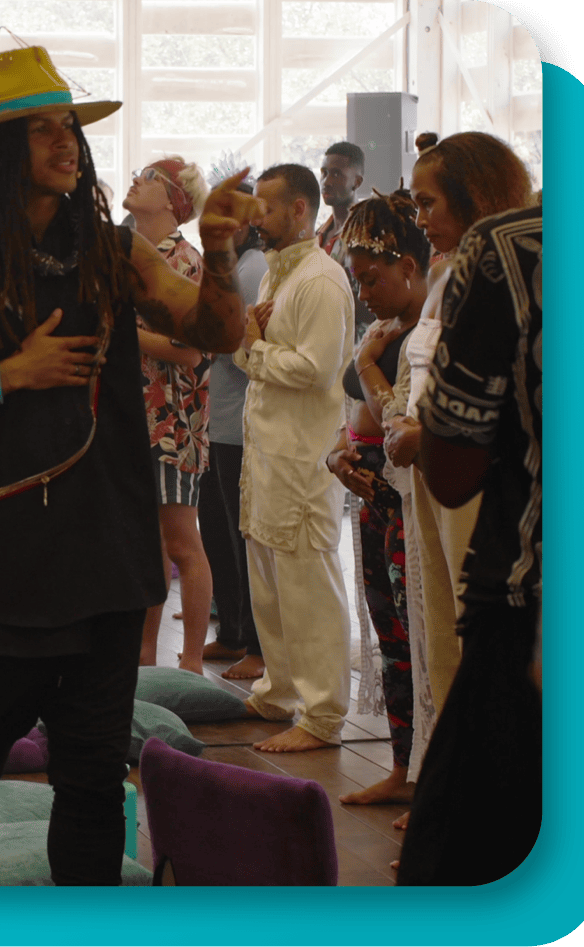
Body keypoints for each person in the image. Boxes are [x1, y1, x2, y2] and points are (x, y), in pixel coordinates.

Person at [0, 45, 258, 885]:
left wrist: (221, 250)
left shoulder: (113, 252)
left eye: (68, 126)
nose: (64, 142)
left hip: (102, 565)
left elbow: (216, 332)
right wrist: (8, 375)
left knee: (91, 790)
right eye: (39, 129)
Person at [399, 199, 542, 885]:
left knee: (464, 858)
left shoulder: (511, 249)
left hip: (528, 596)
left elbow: (454, 469)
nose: (421, 213)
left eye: (430, 200)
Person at [381, 133, 532, 720]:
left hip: (484, 475)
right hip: (431, 464)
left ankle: (485, 762)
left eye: (429, 203)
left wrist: (432, 436)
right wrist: (403, 420)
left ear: (475, 195)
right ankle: (445, 758)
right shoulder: (447, 276)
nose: (420, 220)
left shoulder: (513, 269)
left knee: (480, 628)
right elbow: (420, 371)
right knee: (436, 622)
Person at [236, 163, 354, 753]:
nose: (255, 218)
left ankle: (323, 713)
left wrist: (255, 348)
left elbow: (317, 369)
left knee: (308, 585)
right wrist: (250, 344)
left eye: (266, 207)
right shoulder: (276, 275)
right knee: (269, 579)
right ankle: (279, 690)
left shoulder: (320, 281)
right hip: (268, 451)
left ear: (299, 209)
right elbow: (249, 353)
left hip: (304, 457)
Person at [324, 191, 430, 807]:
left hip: (413, 507)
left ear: (408, 267)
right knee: (392, 644)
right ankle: (401, 767)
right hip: (374, 503)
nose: (363, 292)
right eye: (358, 280)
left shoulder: (426, 335)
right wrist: (336, 456)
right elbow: (355, 422)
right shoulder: (379, 328)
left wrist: (367, 364)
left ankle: (433, 780)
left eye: (372, 279)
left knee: (421, 643)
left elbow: (400, 424)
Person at [123, 155, 213, 671]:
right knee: (148, 541)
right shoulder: (130, 255)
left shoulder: (183, 261)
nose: (137, 181)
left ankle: (192, 661)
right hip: (136, 418)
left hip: (172, 422)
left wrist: (124, 332)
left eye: (149, 178)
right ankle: (144, 653)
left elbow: (191, 350)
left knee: (181, 542)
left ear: (174, 201)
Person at [198, 177, 267, 680]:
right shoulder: (235, 266)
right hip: (220, 420)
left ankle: (254, 643)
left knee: (242, 539)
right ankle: (233, 631)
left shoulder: (253, 268)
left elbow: (234, 341)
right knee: (219, 533)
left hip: (240, 422)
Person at [317, 141, 372, 339]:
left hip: (354, 344)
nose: (326, 181)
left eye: (336, 174)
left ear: (357, 182)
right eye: (324, 173)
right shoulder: (319, 234)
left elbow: (376, 306)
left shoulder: (367, 233)